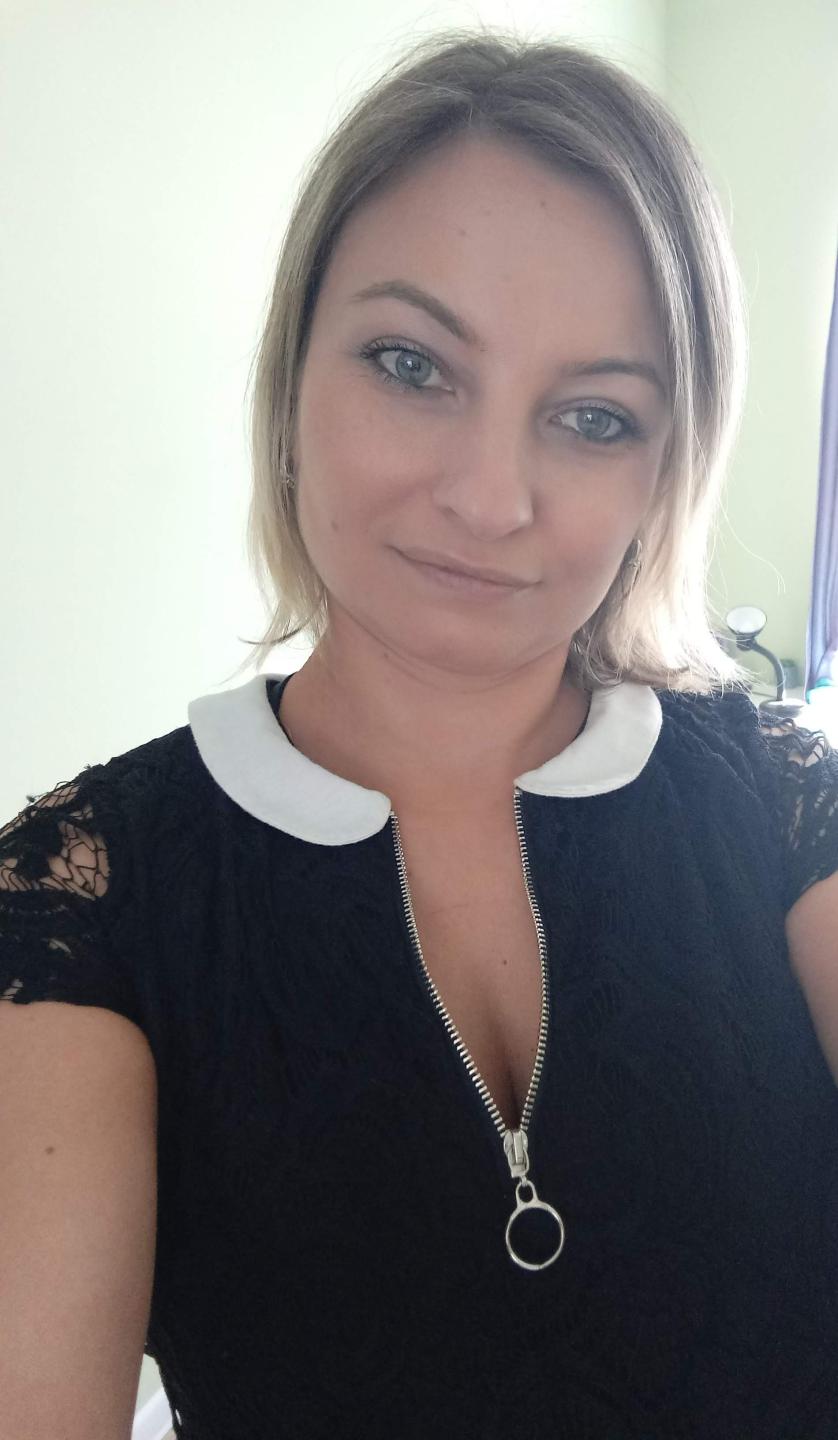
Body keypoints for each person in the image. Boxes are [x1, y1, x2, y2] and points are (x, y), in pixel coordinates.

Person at [2, 26, 837, 1440]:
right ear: (293, 377)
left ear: (665, 468)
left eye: (593, 417)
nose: (490, 499)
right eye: (412, 363)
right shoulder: (85, 895)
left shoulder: (784, 806)